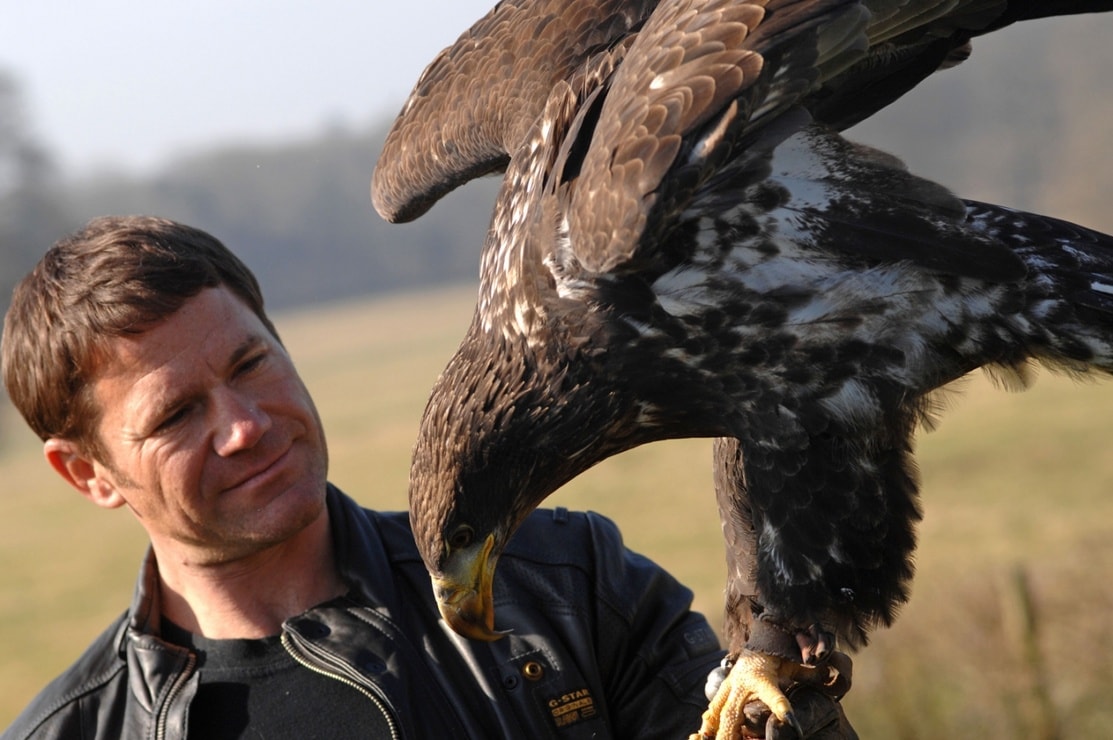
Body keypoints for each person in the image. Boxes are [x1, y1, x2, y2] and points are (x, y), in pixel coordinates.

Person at [0, 215, 727, 739]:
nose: (246, 424)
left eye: (250, 364)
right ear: (86, 474)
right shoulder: (76, 731)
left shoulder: (564, 585)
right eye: (178, 414)